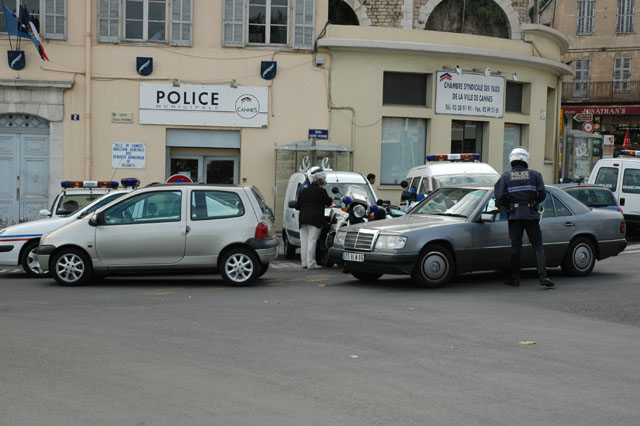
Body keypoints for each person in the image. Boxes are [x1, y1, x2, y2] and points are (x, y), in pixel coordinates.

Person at [494, 147, 555, 288]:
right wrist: (533, 203)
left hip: (515, 216)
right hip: (531, 215)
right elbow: (542, 194)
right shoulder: (535, 175)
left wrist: (506, 205)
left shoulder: (505, 176)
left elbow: (499, 196)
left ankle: (515, 278)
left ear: (511, 160)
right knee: (538, 246)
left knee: (516, 246)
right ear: (526, 159)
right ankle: (543, 278)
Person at [295, 171, 333, 269]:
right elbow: (329, 202)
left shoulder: (303, 191)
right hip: (315, 219)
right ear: (321, 183)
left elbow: (297, 206)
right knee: (312, 241)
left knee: (304, 241)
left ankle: (304, 263)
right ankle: (311, 263)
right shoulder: (321, 191)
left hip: (303, 218)